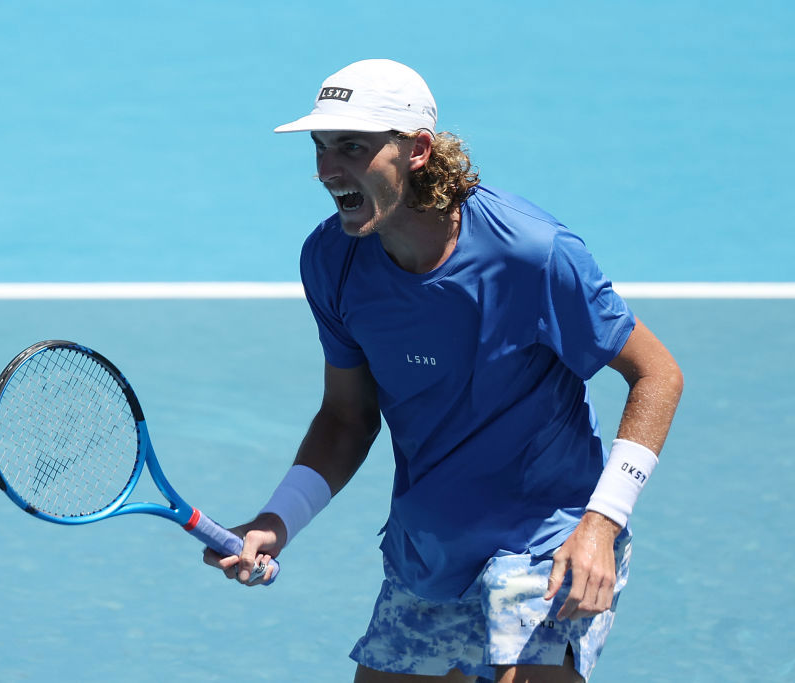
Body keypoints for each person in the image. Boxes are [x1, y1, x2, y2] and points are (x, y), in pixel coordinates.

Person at [204, 59, 683, 683]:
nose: (327, 170)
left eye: (352, 147)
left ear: (418, 151)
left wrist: (602, 523)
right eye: (322, 148)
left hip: (547, 540)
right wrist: (277, 520)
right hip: (428, 548)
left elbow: (658, 374)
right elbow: (348, 418)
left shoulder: (532, 255)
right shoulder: (332, 260)